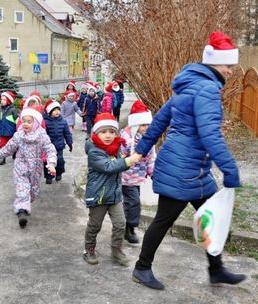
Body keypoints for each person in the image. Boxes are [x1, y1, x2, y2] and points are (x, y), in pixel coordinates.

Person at [131, 32, 246, 290]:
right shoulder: (206, 88)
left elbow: (160, 119)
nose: (230, 71)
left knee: (211, 216)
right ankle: (141, 268)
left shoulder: (191, 84)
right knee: (163, 220)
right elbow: (210, 134)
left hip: (196, 170)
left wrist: (142, 147)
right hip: (181, 170)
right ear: (215, 63)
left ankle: (216, 270)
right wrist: (230, 170)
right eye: (228, 65)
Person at [83, 113, 142, 266]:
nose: (108, 135)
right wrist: (128, 160)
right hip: (99, 196)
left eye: (111, 132)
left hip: (115, 195)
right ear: (96, 133)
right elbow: (109, 167)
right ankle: (89, 248)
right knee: (95, 225)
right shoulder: (94, 151)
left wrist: (130, 157)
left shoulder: (115, 148)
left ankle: (116, 250)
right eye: (103, 132)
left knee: (121, 224)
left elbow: (120, 161)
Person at [0, 108, 57, 228]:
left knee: (33, 191)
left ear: (36, 123)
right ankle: (21, 212)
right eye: (24, 121)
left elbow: (50, 149)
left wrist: (51, 163)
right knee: (22, 188)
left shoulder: (42, 136)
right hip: (21, 166)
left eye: (29, 121)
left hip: (36, 168)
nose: (26, 124)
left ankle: (25, 203)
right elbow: (9, 147)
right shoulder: (18, 135)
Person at [119, 100, 156, 244]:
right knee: (133, 202)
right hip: (126, 177)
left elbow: (151, 158)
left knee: (131, 203)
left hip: (138, 177)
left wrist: (153, 174)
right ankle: (130, 229)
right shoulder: (126, 139)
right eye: (143, 125)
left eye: (148, 124)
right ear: (135, 124)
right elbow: (119, 158)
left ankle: (125, 225)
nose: (146, 128)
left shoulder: (148, 139)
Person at [42, 99, 73, 184]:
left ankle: (58, 173)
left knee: (59, 161)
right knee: (47, 162)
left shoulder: (63, 121)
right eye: (55, 110)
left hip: (59, 146)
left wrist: (70, 143)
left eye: (58, 109)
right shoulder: (45, 122)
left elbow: (67, 133)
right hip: (48, 147)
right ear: (50, 111)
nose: (57, 112)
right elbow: (42, 135)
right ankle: (49, 176)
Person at [0, 91, 18, 165]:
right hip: (2, 132)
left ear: (9, 101)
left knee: (14, 144)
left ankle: (15, 153)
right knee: (2, 145)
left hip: (11, 132)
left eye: (4, 100)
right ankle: (2, 158)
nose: (2, 101)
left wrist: (18, 130)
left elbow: (17, 121)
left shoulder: (13, 110)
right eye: (1, 99)